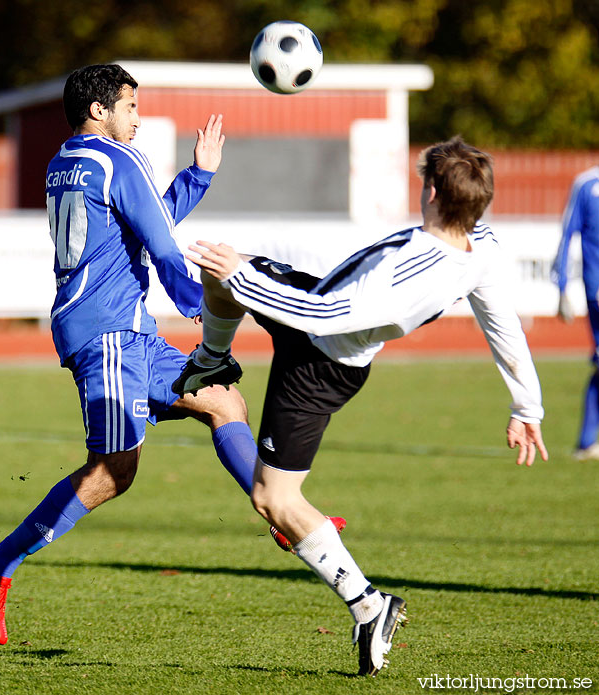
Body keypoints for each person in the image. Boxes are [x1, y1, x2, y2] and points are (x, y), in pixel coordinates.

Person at [172, 136, 549, 677]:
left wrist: (242, 275)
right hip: (320, 323)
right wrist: (527, 407)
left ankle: (368, 604)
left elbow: (321, 315)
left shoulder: (407, 273)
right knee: (219, 273)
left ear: (433, 192)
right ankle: (211, 359)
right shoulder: (479, 243)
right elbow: (501, 320)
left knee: (273, 498)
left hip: (319, 366)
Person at [0, 63, 261, 645]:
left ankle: (279, 509)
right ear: (99, 110)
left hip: (125, 333)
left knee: (225, 400)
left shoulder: (65, 162)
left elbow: (144, 219)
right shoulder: (118, 160)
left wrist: (198, 176)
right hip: (110, 336)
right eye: (130, 107)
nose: (136, 118)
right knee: (113, 471)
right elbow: (163, 242)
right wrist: (198, 301)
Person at [552, 165, 599, 460]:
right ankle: (586, 442)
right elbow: (567, 232)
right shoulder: (587, 183)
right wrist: (561, 287)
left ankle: (586, 442)